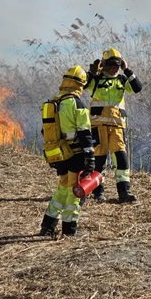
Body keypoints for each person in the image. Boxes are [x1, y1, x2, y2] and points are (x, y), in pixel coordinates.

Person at [40, 65, 95, 237]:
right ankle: (69, 231)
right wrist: (90, 157)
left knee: (63, 189)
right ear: (80, 84)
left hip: (59, 154)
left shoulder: (54, 102)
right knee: (75, 193)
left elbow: (46, 131)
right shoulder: (77, 103)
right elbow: (85, 133)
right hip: (76, 155)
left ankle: (47, 226)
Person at [85, 48, 143, 203]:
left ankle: (124, 193)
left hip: (117, 127)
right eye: (110, 65)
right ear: (104, 65)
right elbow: (83, 86)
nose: (113, 69)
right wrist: (92, 73)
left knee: (121, 159)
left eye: (116, 66)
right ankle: (98, 192)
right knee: (99, 159)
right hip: (98, 126)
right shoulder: (96, 80)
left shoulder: (123, 80)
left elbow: (137, 88)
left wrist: (127, 69)